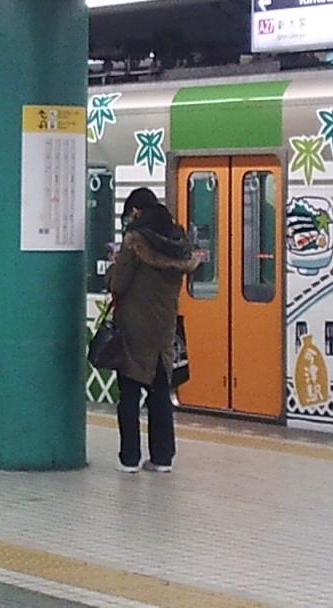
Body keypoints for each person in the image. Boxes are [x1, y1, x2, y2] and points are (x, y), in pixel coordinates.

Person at [107, 202, 199, 473]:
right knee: (160, 395)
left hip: (134, 329)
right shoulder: (179, 246)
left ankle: (130, 458)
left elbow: (118, 283)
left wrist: (114, 265)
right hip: (164, 330)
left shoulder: (135, 243)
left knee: (129, 396)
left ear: (137, 211)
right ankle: (162, 458)